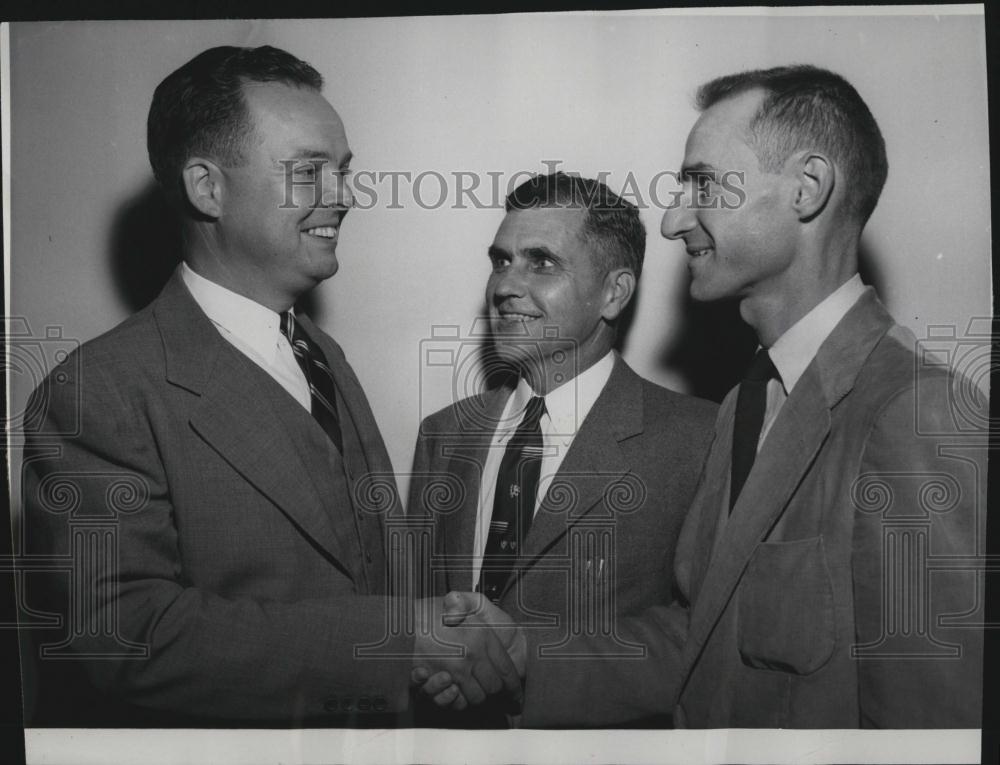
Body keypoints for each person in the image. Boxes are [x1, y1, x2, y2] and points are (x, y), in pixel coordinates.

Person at [433, 66, 985, 729]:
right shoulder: (743, 409)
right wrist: (524, 653)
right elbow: (697, 639)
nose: (672, 220)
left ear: (807, 189)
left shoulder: (913, 411)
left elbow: (934, 730)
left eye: (702, 183)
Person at [19, 45, 517, 728]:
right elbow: (127, 635)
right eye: (309, 172)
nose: (345, 196)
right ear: (206, 187)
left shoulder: (320, 354)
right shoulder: (95, 391)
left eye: (342, 172)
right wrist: (401, 644)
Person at [407, 173, 717, 725]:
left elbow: (703, 639)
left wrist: (533, 662)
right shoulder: (443, 435)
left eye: (541, 262)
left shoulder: (698, 439)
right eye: (501, 260)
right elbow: (413, 618)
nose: (505, 285)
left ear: (613, 294)